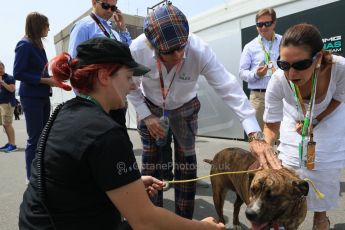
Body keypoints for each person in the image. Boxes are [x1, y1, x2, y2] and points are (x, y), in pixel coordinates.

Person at [18, 37, 225, 230]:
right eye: (128, 76)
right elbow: (146, 222)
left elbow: (75, 181)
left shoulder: (66, 111)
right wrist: (203, 227)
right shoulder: (105, 132)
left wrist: (127, 185)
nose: (134, 85)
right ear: (103, 77)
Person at [128, 3, 281, 219]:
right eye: (171, 51)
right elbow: (130, 86)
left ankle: (184, 221)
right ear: (153, 47)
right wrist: (146, 114)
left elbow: (229, 88)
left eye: (183, 46)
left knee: (186, 166)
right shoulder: (137, 50)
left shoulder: (199, 50)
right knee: (151, 165)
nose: (180, 55)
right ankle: (153, 218)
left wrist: (255, 135)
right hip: (150, 106)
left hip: (186, 107)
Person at [263, 23, 345, 230]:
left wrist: (316, 120)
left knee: (323, 169)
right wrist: (266, 148)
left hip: (329, 120)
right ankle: (287, 216)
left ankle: (320, 218)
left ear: (317, 58)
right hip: (294, 120)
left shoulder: (339, 68)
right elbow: (271, 122)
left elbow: (339, 98)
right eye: (284, 65)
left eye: (300, 65)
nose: (291, 74)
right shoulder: (278, 79)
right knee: (290, 168)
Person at [13, 12, 71, 181]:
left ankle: (41, 172)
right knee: (35, 138)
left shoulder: (37, 44)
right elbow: (18, 73)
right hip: (31, 97)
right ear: (38, 25)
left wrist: (56, 78)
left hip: (42, 95)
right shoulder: (24, 45)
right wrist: (46, 81)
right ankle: (31, 178)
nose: (49, 28)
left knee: (44, 136)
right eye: (47, 25)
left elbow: (41, 70)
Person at [68, 0, 132, 127]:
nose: (109, 11)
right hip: (96, 101)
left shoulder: (113, 32)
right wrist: (85, 100)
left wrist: (123, 29)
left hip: (116, 99)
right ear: (94, 2)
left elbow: (127, 54)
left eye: (113, 8)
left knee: (118, 141)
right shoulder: (83, 26)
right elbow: (73, 65)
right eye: (106, 6)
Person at [239, 8, 282, 130]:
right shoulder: (250, 47)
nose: (263, 27)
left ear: (274, 23)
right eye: (259, 24)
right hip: (259, 98)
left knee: (281, 136)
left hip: (281, 95)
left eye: (267, 23)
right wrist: (256, 75)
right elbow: (242, 73)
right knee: (258, 136)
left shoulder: (284, 41)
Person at [0, 61, 17, 152]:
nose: (0, 69)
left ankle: (13, 144)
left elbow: (11, 89)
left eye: (1, 67)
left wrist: (2, 82)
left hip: (7, 103)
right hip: (1, 104)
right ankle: (9, 142)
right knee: (5, 125)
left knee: (7, 124)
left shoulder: (9, 77)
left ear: (3, 67)